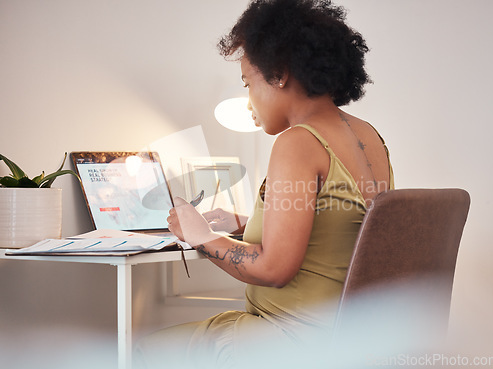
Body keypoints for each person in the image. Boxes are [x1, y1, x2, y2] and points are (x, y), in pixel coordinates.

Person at [134, 0, 394, 367]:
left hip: (292, 339)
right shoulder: (368, 136)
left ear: (279, 73)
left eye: (247, 83)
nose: (249, 100)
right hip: (351, 335)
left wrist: (201, 236)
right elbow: (335, 223)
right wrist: (242, 222)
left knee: (143, 350)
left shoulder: (299, 142)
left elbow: (274, 269)